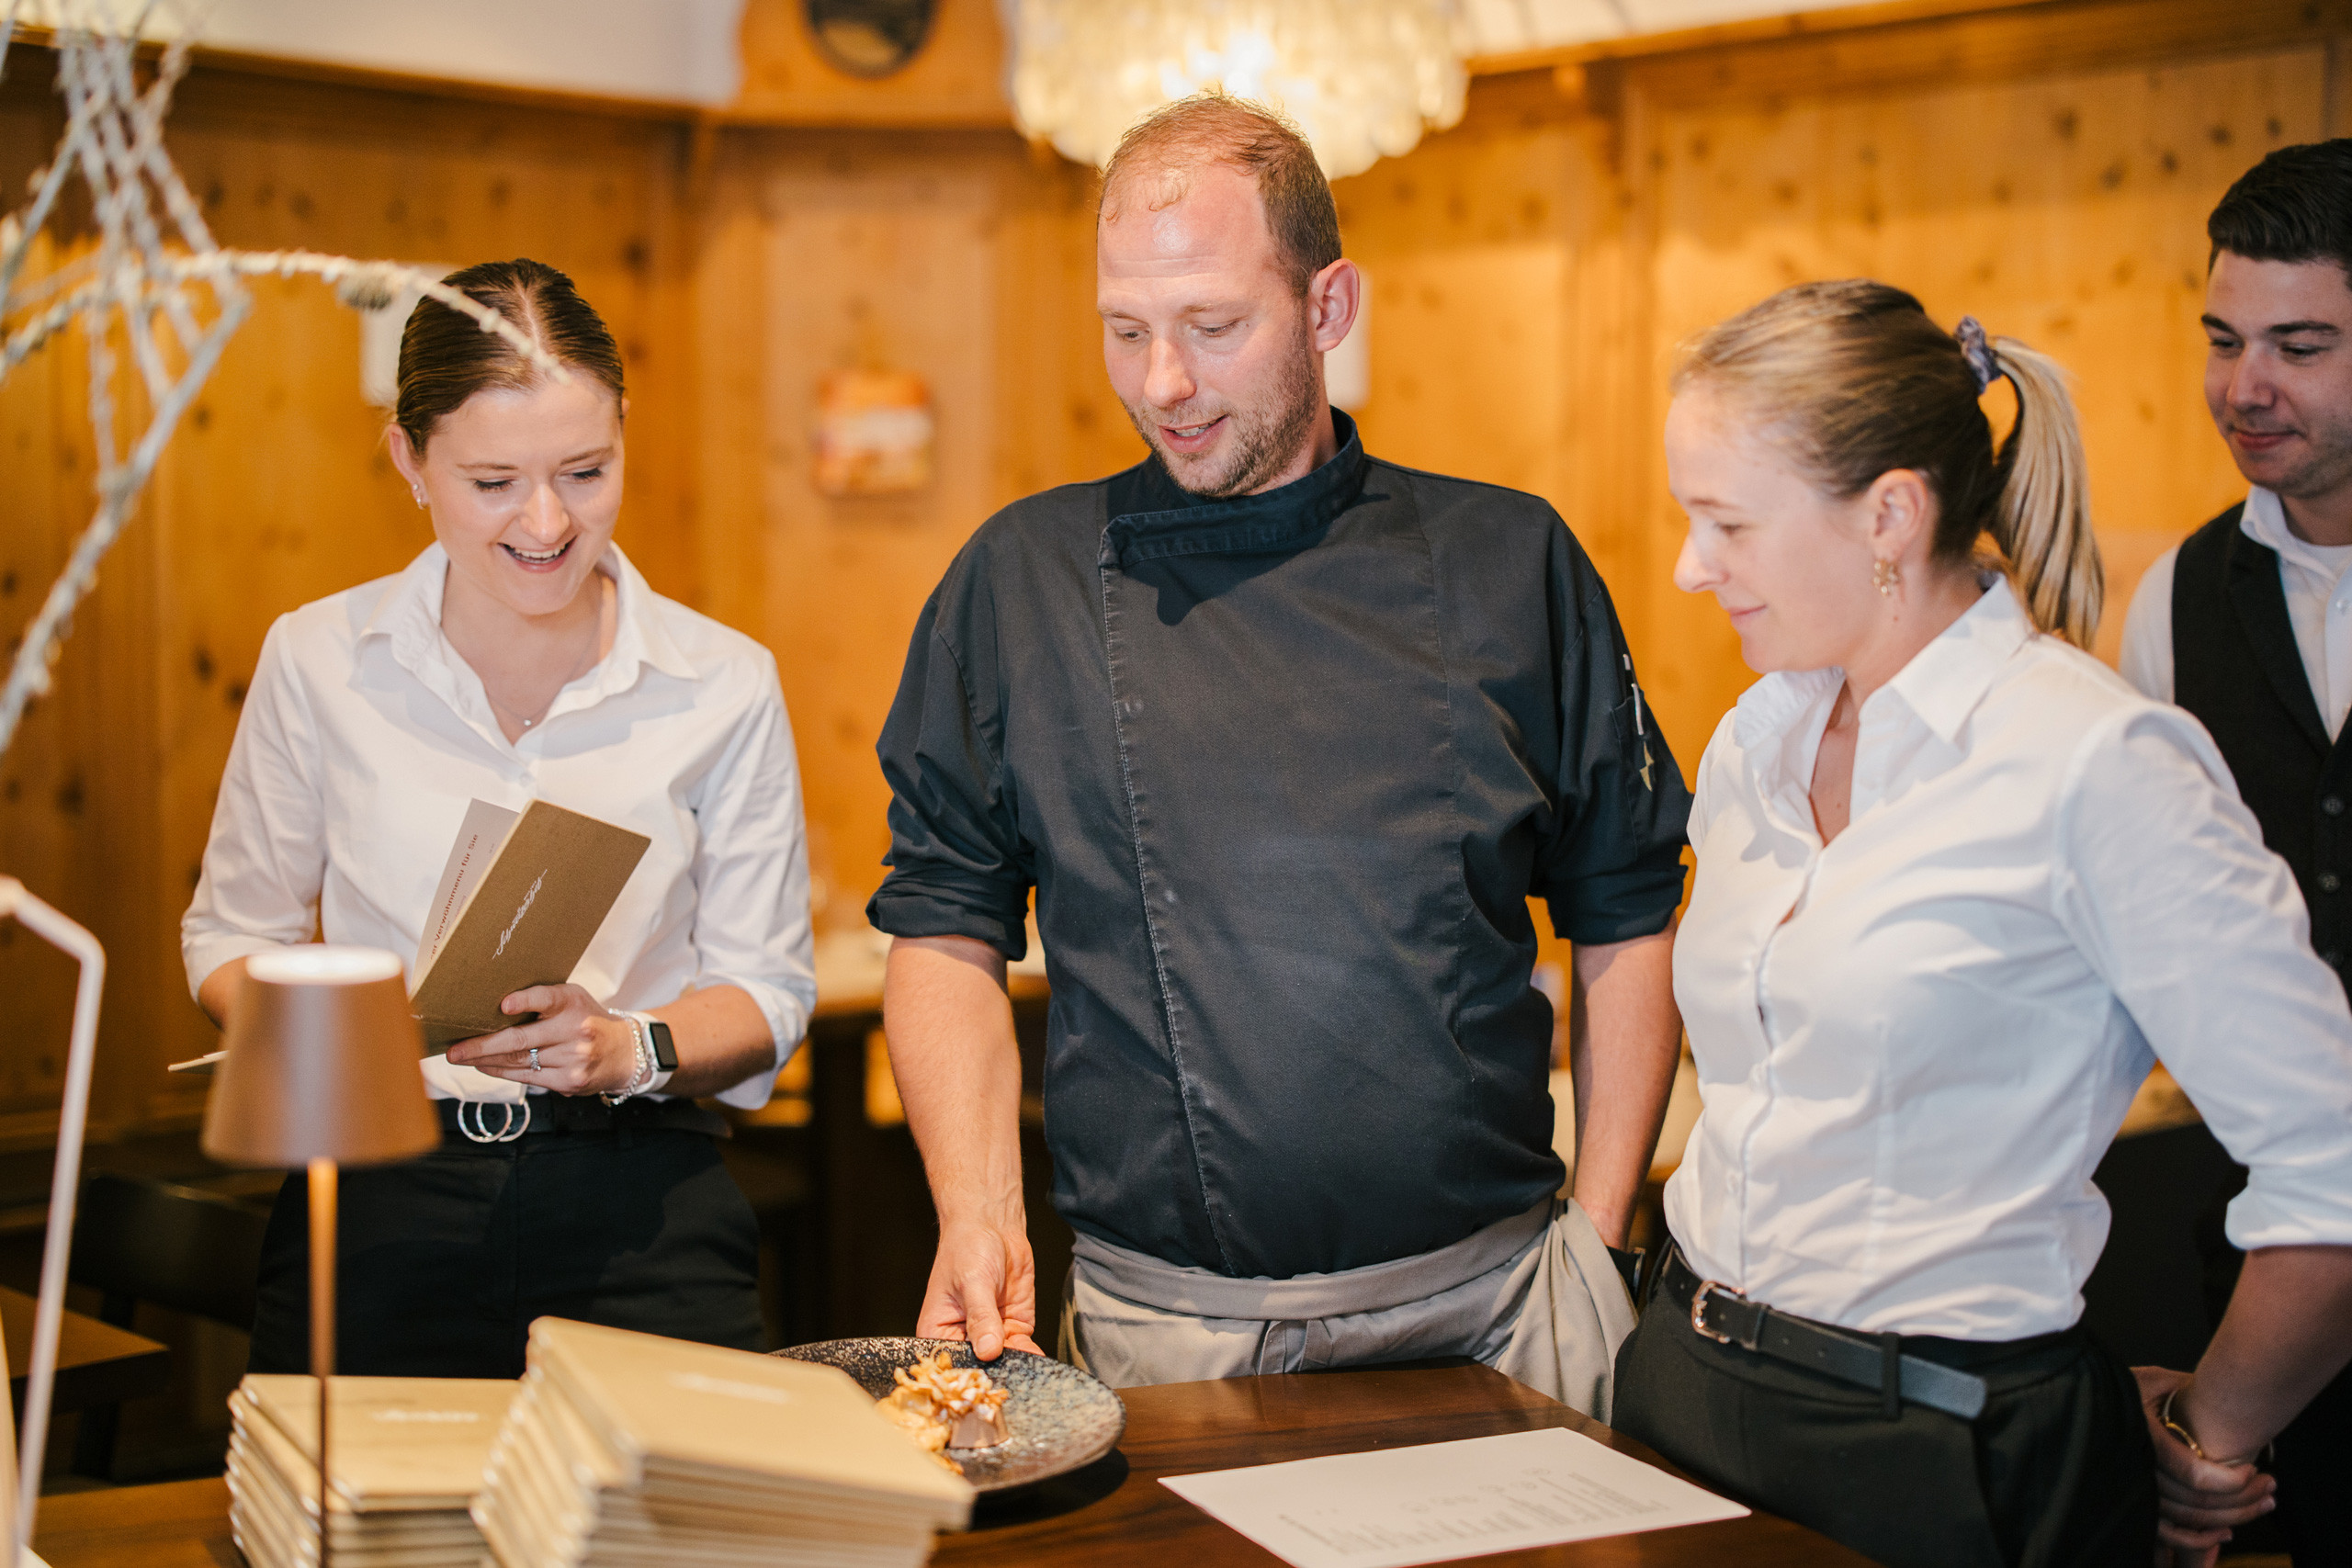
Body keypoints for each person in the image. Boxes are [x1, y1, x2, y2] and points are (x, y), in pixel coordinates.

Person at [867, 95, 1689, 1410]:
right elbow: (942, 925)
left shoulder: (1508, 557)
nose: (1163, 383)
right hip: (1168, 1327)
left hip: (1497, 1305)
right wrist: (978, 1211)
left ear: (1327, 306)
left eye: (1213, 327)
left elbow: (1627, 906)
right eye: (1125, 331)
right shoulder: (1021, 581)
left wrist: (1597, 1235)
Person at [1613, 277, 2352, 1568]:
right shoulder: (1754, 740)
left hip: (1937, 1448)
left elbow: (2332, 1167)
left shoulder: (2094, 761)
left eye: (1725, 521)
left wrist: (2212, 1428)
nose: (1689, 564)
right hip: (1681, 1385)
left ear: (1890, 514)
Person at [182, 259, 814, 1378]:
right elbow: (231, 936)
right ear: (409, 462)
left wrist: (624, 1046)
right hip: (382, 1185)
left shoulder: (723, 682)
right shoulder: (320, 659)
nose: (546, 521)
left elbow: (767, 991)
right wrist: (342, 1029)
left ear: (623, 436)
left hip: (641, 1191)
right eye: (492, 482)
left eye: (586, 471)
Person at [2119, 140, 2352, 1567]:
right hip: (2268, 1254)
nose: (2244, 386)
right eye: (2223, 340)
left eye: (2301, 346)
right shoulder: (2176, 600)